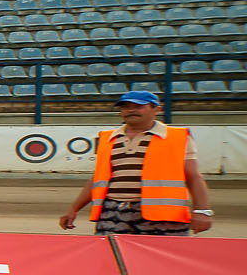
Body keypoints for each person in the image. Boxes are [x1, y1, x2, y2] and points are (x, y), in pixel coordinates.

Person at [60, 89, 213, 236]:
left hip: (163, 217)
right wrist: (73, 209)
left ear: (156, 109)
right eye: (126, 107)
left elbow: (194, 177)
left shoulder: (177, 137)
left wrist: (202, 211)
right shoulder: (108, 138)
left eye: (139, 106)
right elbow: (97, 180)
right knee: (111, 259)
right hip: (112, 212)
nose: (131, 110)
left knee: (160, 262)